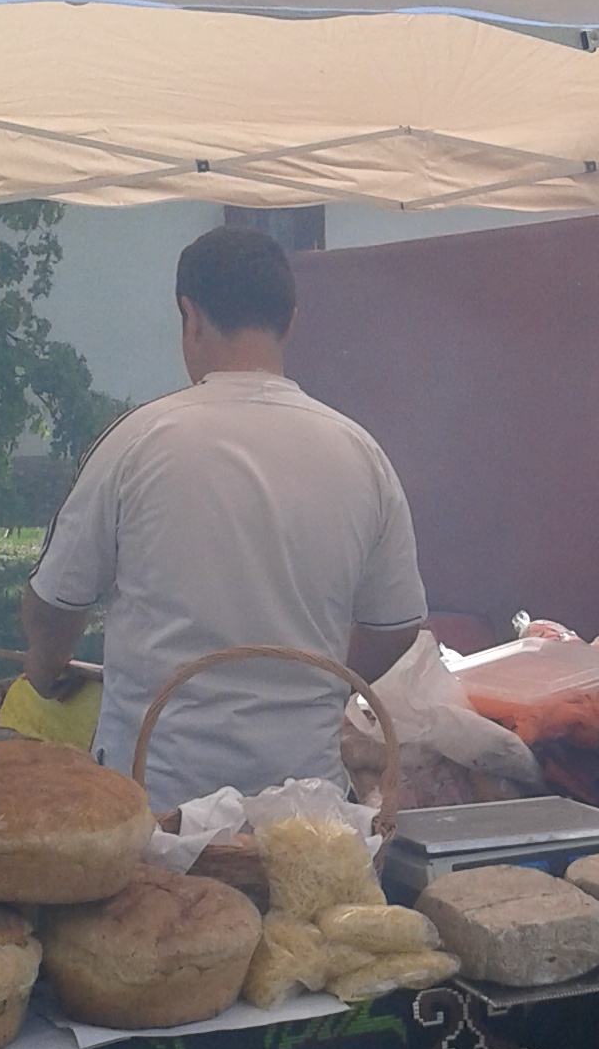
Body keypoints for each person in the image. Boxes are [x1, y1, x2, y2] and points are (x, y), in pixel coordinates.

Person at [21, 225, 427, 810]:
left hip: (155, 805)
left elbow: (54, 606)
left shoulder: (136, 441)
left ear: (190, 317)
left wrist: (44, 673)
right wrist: (323, 686)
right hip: (304, 811)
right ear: (290, 321)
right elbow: (396, 627)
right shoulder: (361, 454)